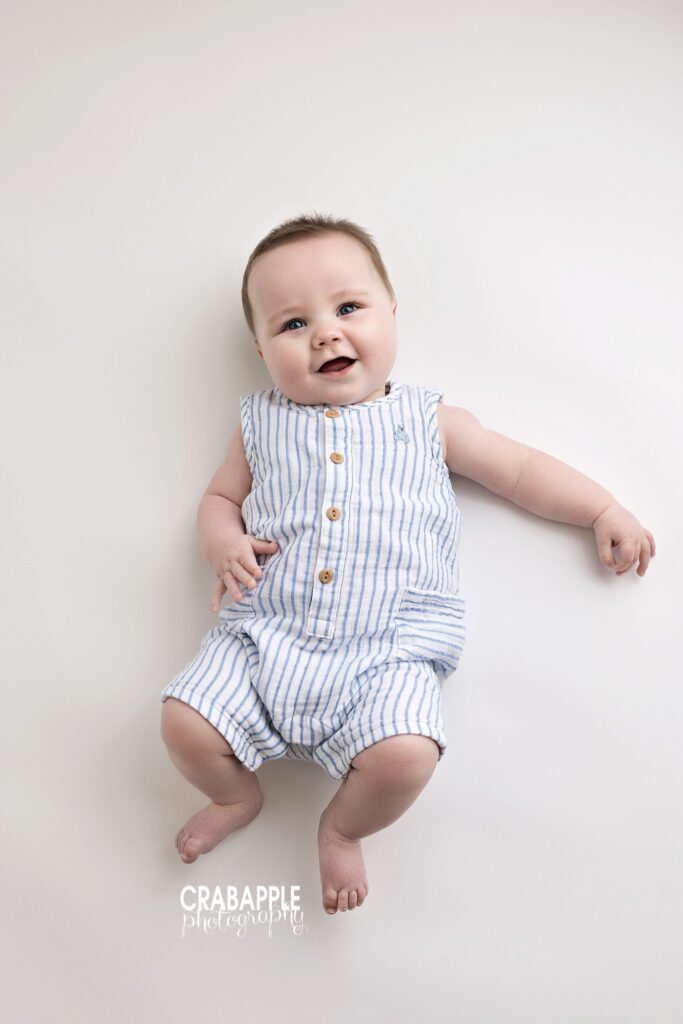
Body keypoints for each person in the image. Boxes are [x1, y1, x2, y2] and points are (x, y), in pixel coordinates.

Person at [160, 212, 656, 915]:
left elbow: (518, 470)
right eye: (293, 324)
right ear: (261, 348)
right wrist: (222, 540)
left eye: (348, 308)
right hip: (262, 641)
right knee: (183, 722)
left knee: (407, 756)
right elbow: (219, 499)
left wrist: (601, 508)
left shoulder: (429, 422)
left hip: (386, 655)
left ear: (391, 312)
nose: (325, 334)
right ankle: (235, 796)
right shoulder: (258, 424)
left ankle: (341, 828)